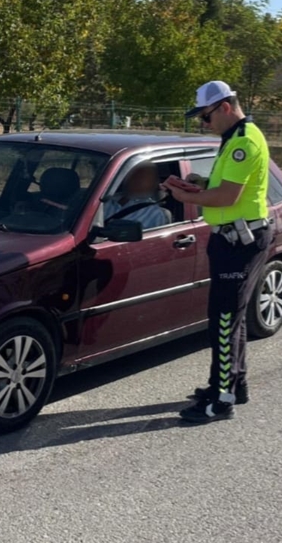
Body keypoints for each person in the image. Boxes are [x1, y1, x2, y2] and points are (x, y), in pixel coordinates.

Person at [164, 80, 271, 424]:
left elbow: (228, 197)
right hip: (231, 238)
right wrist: (200, 184)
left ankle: (220, 402)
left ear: (225, 107)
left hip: (239, 241)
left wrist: (188, 198)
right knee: (232, 319)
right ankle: (233, 384)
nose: (203, 124)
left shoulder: (244, 142)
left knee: (223, 322)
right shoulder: (233, 138)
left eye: (205, 117)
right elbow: (224, 188)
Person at [103, 163, 170, 230]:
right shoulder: (105, 198)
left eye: (143, 176)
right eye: (133, 173)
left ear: (154, 182)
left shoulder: (154, 213)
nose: (136, 178)